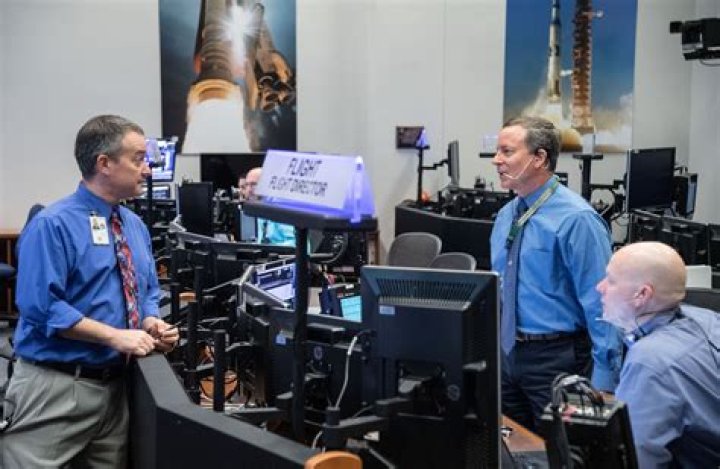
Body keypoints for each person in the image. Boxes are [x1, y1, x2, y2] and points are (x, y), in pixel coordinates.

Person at [1, 115, 179, 468]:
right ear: (104, 164)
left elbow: (146, 289)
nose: (147, 170)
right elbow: (43, 308)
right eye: (138, 159)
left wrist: (150, 321)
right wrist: (115, 336)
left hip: (114, 389)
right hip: (55, 386)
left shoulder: (134, 226)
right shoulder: (53, 225)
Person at [490, 116, 622, 431]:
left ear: (539, 158)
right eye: (498, 151)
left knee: (561, 451)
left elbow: (603, 304)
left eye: (507, 151)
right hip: (507, 354)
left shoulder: (577, 219)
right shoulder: (506, 215)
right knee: (511, 447)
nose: (496, 160)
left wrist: (603, 381)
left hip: (557, 359)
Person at [596, 242, 720, 468]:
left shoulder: (650, 361)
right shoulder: (707, 318)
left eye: (611, 281)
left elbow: (637, 460)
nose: (599, 287)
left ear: (642, 294)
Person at [240, 166, 295, 246]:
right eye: (247, 185)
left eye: (253, 185)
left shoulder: (281, 208)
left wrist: (269, 249)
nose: (248, 190)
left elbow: (296, 243)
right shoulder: (259, 207)